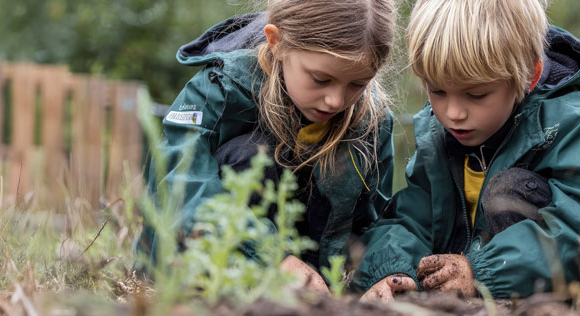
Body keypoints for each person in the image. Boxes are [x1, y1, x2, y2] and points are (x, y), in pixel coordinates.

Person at [353, 0, 580, 309]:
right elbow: (411, 218)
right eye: (437, 90)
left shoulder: (572, 121)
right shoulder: (442, 137)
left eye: (476, 94)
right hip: (511, 277)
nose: (453, 112)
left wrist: (481, 273)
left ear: (530, 75)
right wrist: (392, 272)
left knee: (510, 192)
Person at [134, 0, 397, 294]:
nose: (336, 100)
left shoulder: (372, 123)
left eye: (357, 84)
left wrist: (384, 273)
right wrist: (270, 256)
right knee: (251, 154)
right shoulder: (216, 92)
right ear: (277, 42)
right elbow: (179, 183)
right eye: (321, 79)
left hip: (316, 286)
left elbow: (376, 221)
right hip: (209, 265)